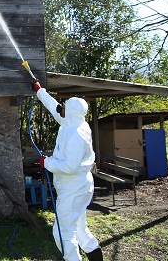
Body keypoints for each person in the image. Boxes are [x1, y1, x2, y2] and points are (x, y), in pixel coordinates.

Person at [32, 79, 103, 261]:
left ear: (70, 112)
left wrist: (47, 163)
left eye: (64, 107)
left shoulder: (76, 135)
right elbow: (56, 109)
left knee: (62, 232)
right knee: (79, 227)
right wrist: (41, 92)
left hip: (73, 188)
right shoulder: (74, 122)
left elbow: (69, 167)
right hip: (77, 186)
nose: (61, 109)